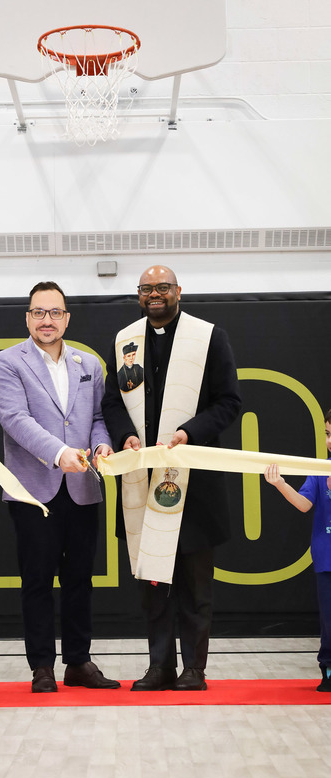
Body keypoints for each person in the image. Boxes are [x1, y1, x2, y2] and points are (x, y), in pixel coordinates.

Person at [102, 265, 241, 691]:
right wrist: (125, 436)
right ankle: (159, 666)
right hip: (143, 480)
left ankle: (193, 669)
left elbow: (228, 402)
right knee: (153, 583)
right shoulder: (125, 340)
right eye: (147, 289)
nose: (155, 294)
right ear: (139, 295)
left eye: (163, 287)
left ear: (179, 291)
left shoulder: (208, 336)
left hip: (194, 481)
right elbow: (111, 404)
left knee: (196, 585)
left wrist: (189, 433)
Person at [0, 281, 120, 693]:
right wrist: (60, 450)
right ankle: (41, 666)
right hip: (33, 491)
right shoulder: (7, 363)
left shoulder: (88, 365)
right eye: (39, 312)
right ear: (27, 318)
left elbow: (98, 417)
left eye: (55, 312)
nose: (47, 320)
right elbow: (14, 419)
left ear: (67, 318)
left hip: (82, 488)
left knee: (80, 579)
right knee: (38, 580)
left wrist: (101, 444)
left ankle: (79, 662)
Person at [264, 411, 331, 692]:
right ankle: (327, 669)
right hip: (326, 558)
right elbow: (304, 504)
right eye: (328, 434)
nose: (329, 440)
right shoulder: (318, 469)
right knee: (329, 619)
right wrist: (279, 483)